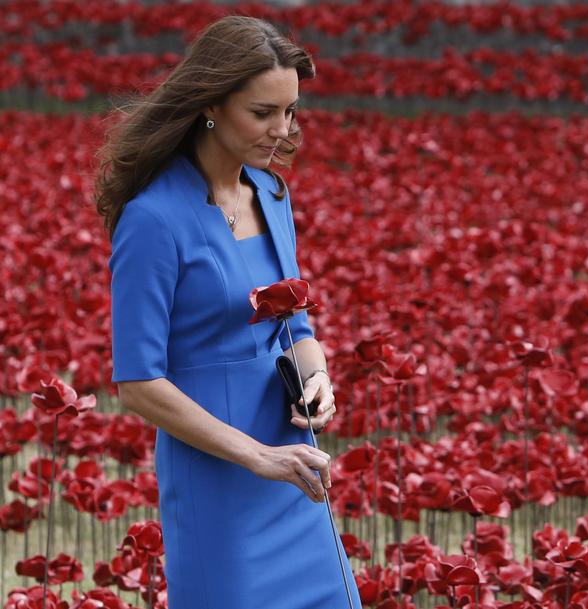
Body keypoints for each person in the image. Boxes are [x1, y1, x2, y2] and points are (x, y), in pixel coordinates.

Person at [95, 15, 361, 609]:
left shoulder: (270, 193)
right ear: (211, 104)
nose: (281, 130)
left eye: (290, 112)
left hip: (294, 470)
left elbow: (294, 324)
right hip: (219, 476)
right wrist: (257, 456)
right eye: (262, 113)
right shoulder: (152, 219)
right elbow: (138, 382)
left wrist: (316, 376)